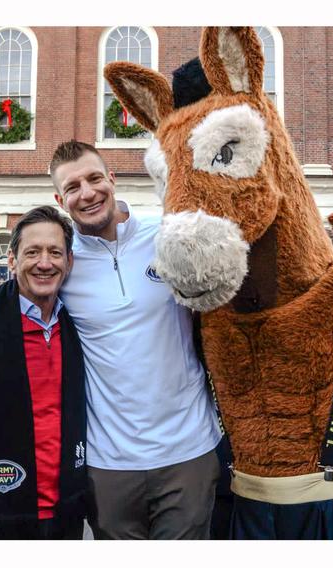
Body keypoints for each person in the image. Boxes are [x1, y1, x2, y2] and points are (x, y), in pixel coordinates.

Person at [50, 141, 222, 539]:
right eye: (73, 187)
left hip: (188, 450)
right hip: (107, 461)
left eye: (94, 178)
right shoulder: (61, 263)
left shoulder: (165, 235)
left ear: (112, 179)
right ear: (61, 200)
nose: (87, 193)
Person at [0, 205, 88, 539]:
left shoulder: (79, 328)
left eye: (55, 253)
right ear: (12, 260)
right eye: (33, 252)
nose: (44, 263)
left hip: (68, 507)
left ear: (68, 262)